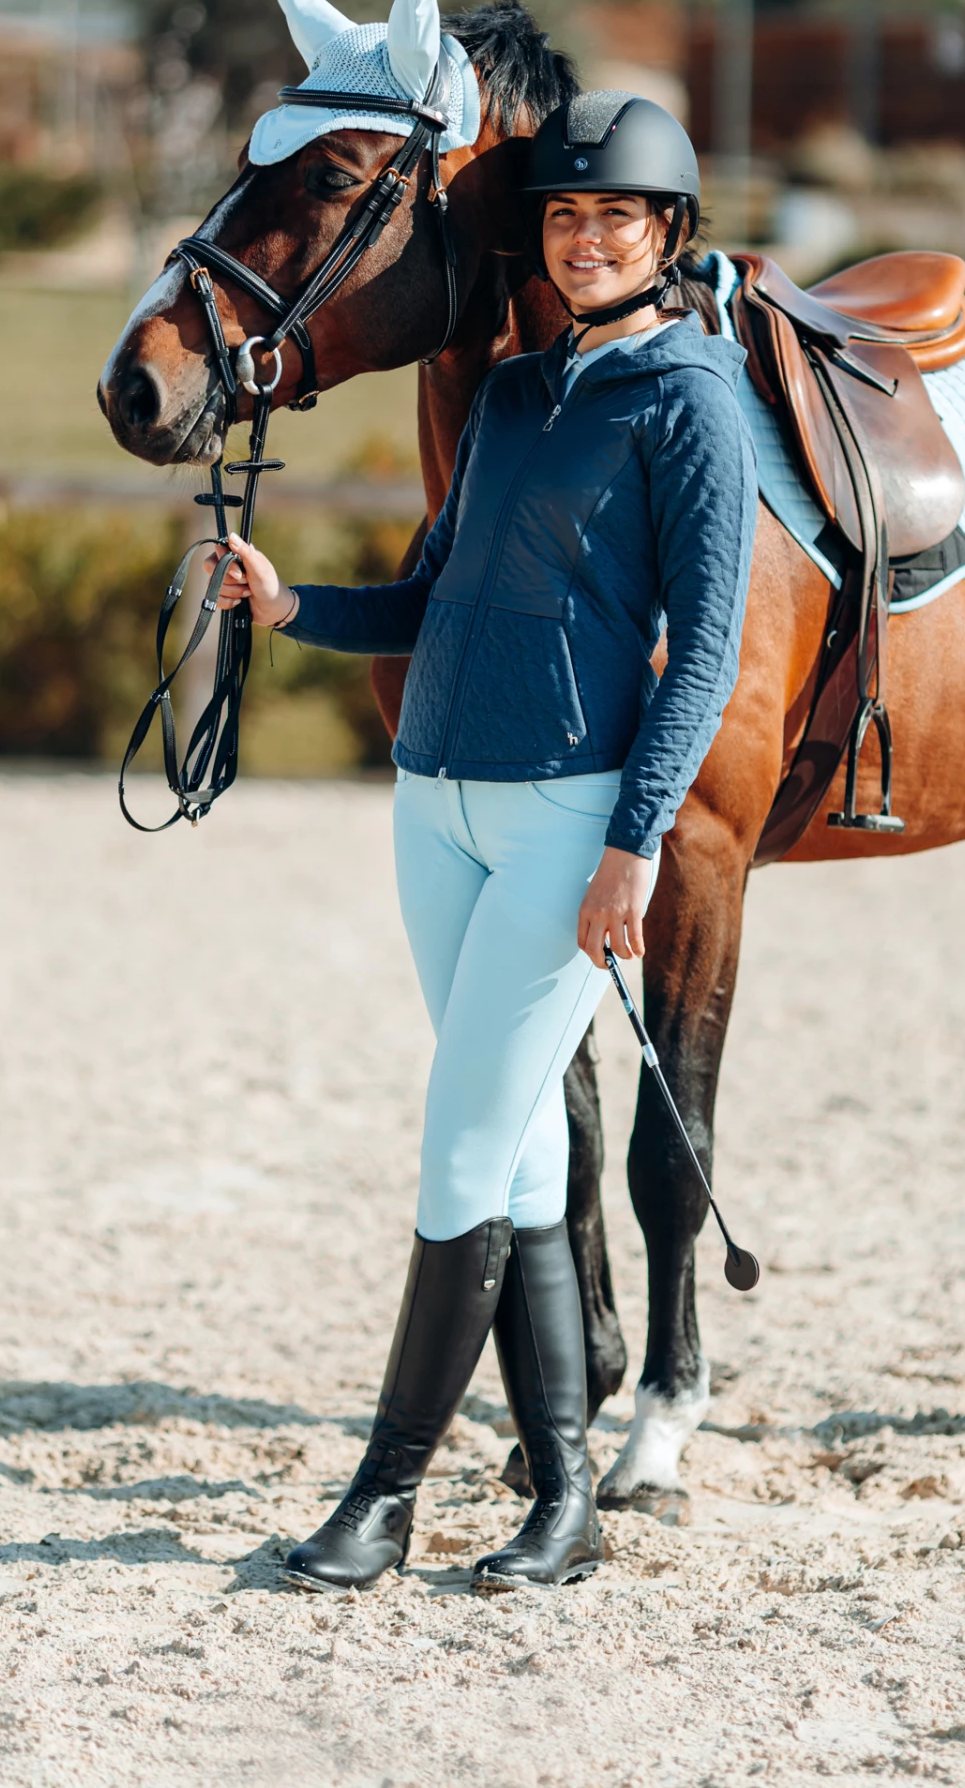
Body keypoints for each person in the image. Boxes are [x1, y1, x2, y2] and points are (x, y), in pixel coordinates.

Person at [211, 92, 757, 1593]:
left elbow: (702, 653)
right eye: (567, 218)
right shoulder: (514, 397)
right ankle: (566, 1495)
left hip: (564, 815)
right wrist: (289, 606)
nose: (587, 238)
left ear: (668, 237)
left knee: (460, 1133)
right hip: (432, 798)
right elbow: (427, 601)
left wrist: (635, 843)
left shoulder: (694, 400)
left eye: (618, 219)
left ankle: (383, 1498)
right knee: (516, 1144)